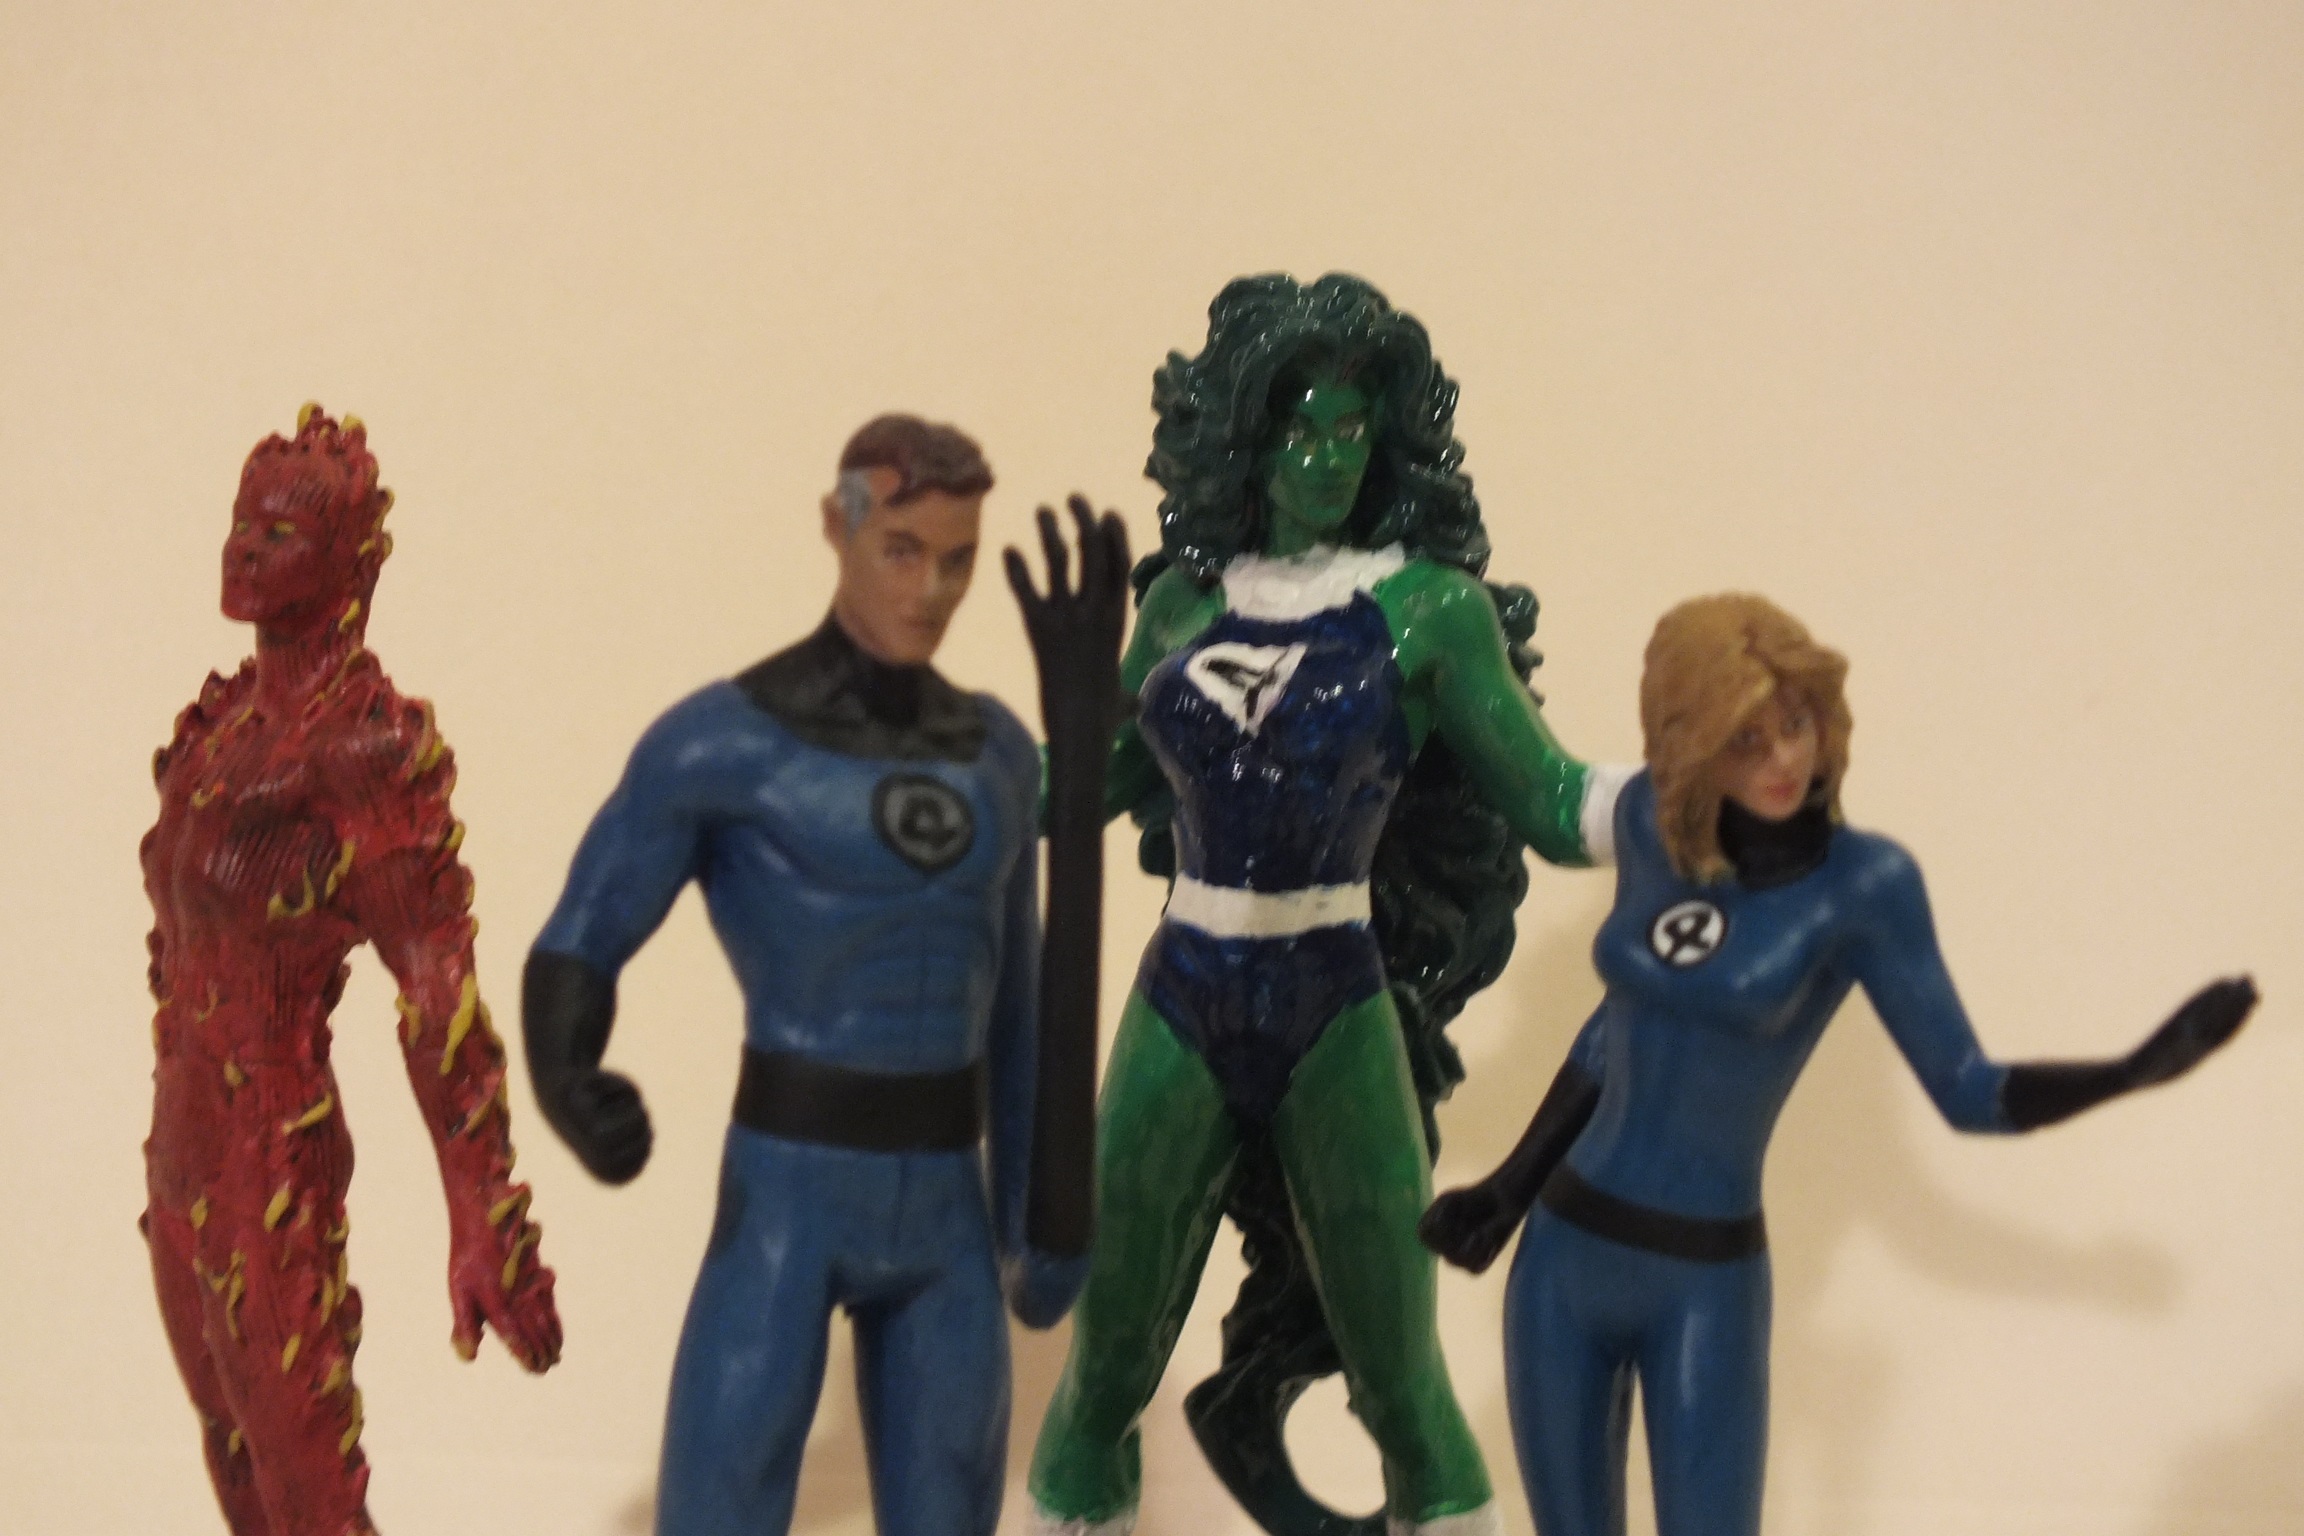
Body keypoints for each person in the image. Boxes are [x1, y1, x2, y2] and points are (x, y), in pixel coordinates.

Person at [1420, 592, 2256, 1536]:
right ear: (1691, 745)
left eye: (1795, 723)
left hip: (1703, 1278)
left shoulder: (1864, 888)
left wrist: (2126, 1072)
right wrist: (1509, 1186)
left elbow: (1969, 1092)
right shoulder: (1659, 828)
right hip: (1564, 1253)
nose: (1782, 758)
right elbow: (1615, 1030)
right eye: (1745, 739)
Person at [1027, 274, 1630, 1536]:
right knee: (1105, 1365)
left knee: (1401, 1377)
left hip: (1334, 997)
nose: (1330, 457)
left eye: (1353, 428)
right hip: (1185, 990)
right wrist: (940, 777)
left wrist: (1687, 798)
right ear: (1245, 442)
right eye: (1302, 428)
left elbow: (1551, 796)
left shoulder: (1431, 610)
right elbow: (1082, 789)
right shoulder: (1182, 606)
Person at [522, 414, 1125, 1536]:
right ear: (837, 527)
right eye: (903, 550)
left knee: (950, 1496)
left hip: (942, 1201)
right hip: (787, 1193)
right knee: (722, 1491)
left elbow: (1021, 1011)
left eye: (957, 560)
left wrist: (1042, 1219)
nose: (932, 590)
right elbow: (581, 934)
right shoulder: (724, 746)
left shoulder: (998, 755)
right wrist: (567, 1076)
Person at [141, 405, 562, 1536]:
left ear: (347, 562)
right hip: (180, 1143)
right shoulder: (218, 728)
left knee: (306, 1483)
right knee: (233, 1449)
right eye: (242, 522)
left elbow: (435, 993)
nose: (244, 548)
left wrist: (482, 1211)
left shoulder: (364, 749)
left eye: (279, 532)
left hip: (269, 1150)